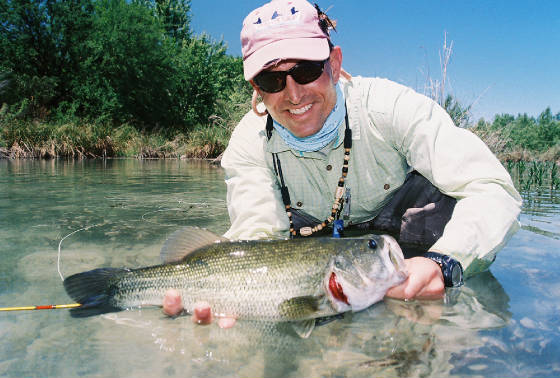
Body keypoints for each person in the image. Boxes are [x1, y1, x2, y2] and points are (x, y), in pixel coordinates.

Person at [162, 0, 522, 324]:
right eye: (272, 79)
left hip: (394, 251)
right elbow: (256, 236)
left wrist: (444, 262)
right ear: (257, 90)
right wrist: (241, 294)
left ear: (334, 64)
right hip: (324, 266)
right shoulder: (248, 141)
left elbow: (492, 190)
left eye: (305, 70)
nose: (294, 93)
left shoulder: (392, 107)